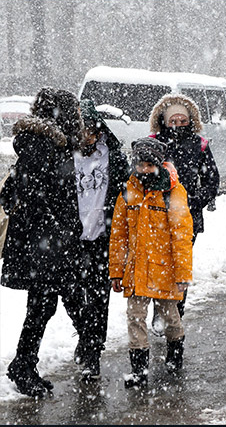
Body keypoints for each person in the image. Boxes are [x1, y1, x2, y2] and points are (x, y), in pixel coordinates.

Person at [1, 88, 84, 397]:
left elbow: (16, 191)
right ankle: (24, 366)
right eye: (72, 111)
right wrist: (57, 230)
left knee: (46, 304)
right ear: (61, 113)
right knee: (46, 304)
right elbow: (29, 194)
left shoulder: (49, 143)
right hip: (43, 245)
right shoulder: (42, 144)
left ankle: (26, 364)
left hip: (46, 244)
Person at [110, 138, 193, 388]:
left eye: (149, 164)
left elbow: (182, 236)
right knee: (135, 317)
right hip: (136, 271)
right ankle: (138, 370)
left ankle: (175, 352)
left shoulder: (173, 192)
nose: (144, 170)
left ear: (158, 164)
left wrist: (182, 275)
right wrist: (116, 270)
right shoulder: (128, 191)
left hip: (164, 270)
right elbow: (119, 235)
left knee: (170, 317)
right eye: (140, 164)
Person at [148, 93, 219, 329]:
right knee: (159, 263)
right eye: (173, 121)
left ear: (191, 120)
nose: (178, 125)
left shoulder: (199, 144)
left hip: (187, 216)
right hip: (156, 214)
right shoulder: (153, 143)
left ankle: (176, 312)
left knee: (180, 264)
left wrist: (196, 201)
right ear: (164, 120)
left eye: (183, 120)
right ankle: (159, 311)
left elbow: (211, 179)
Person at [71, 100, 130, 379]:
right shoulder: (64, 157)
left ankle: (92, 353)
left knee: (97, 298)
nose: (87, 138)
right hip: (71, 240)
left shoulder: (113, 157)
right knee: (72, 296)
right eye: (82, 132)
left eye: (92, 132)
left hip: (102, 239)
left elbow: (125, 195)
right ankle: (85, 335)